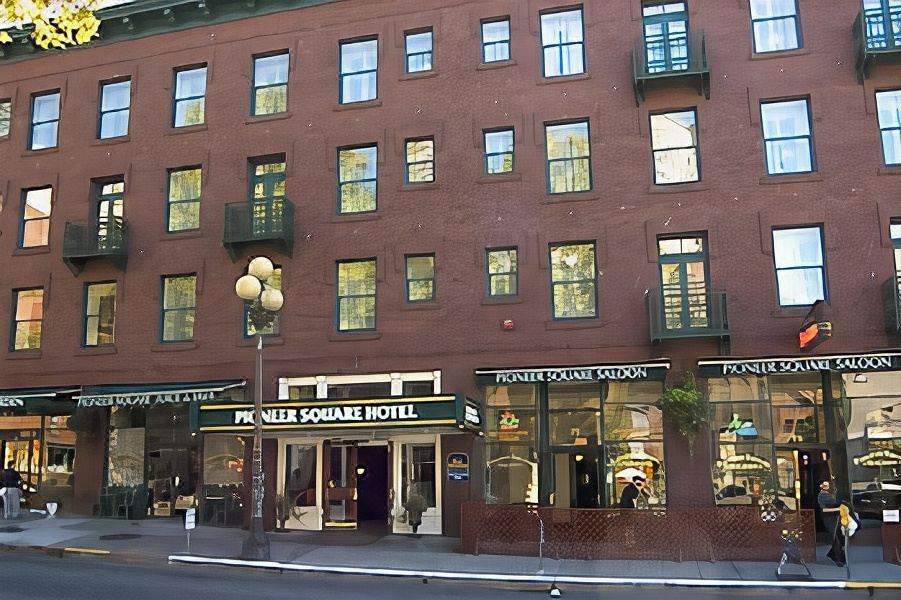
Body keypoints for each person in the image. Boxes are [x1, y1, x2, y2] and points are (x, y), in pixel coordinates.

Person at [817, 480, 845, 567]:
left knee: (839, 538)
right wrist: (837, 509)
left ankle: (835, 555)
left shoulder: (829, 494)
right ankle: (837, 558)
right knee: (835, 538)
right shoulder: (822, 496)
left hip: (835, 518)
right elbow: (823, 510)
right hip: (828, 518)